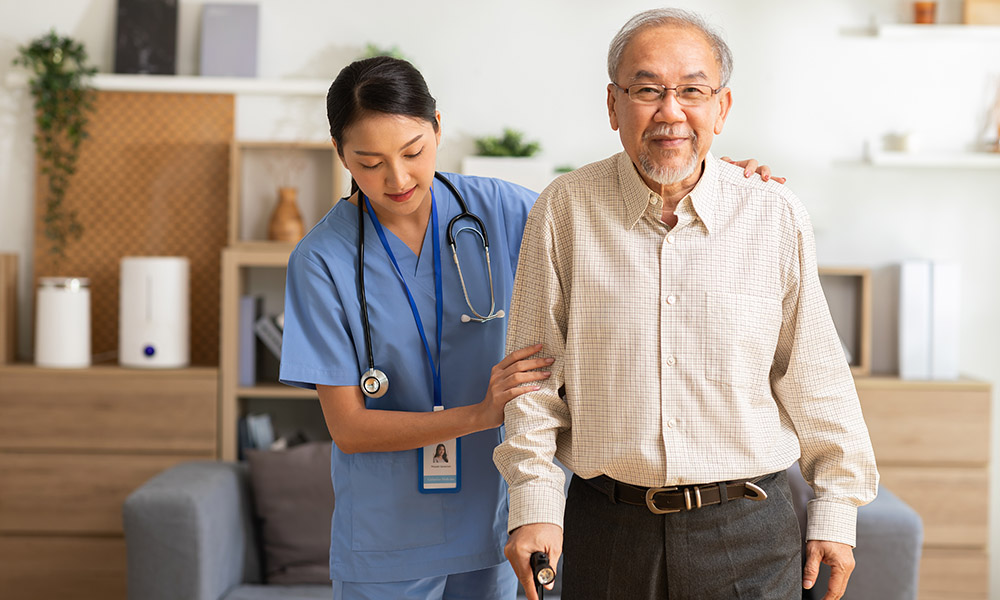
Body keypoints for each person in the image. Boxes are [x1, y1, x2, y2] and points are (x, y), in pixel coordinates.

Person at [279, 56, 779, 600]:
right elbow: (349, 427)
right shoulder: (321, 260)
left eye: (413, 152)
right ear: (339, 152)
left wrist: (709, 181)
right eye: (369, 161)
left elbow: (631, 219)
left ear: (438, 127)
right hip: (387, 534)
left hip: (500, 517)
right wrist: (480, 414)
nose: (396, 178)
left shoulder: (507, 210)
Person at [494, 8, 878, 600]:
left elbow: (814, 374)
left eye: (692, 91)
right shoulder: (563, 210)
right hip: (607, 525)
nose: (670, 111)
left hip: (748, 526)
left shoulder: (773, 213)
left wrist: (836, 507)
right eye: (646, 90)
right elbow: (535, 381)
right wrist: (533, 501)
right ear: (613, 104)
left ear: (722, 108)